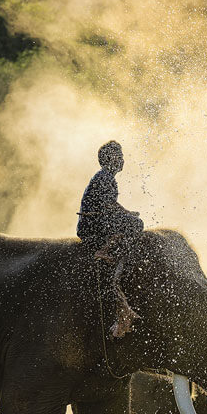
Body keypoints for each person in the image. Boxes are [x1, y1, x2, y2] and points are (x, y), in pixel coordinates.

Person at [77, 140, 144, 338]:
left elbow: (111, 204)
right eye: (119, 156)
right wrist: (129, 217)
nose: (123, 160)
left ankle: (109, 247)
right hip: (92, 226)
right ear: (110, 159)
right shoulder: (105, 177)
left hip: (95, 222)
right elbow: (107, 206)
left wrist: (128, 212)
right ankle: (105, 249)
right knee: (136, 225)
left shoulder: (106, 177)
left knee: (132, 221)